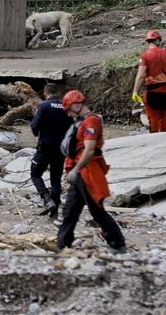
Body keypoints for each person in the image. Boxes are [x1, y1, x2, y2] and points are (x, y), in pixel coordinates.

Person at [57, 90, 126, 253]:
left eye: (68, 110)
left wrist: (77, 170)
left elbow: (89, 150)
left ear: (76, 105)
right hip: (80, 170)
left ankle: (118, 244)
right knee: (70, 210)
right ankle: (63, 244)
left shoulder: (91, 122)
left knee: (97, 210)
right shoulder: (82, 122)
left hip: (88, 171)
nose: (68, 114)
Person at [29, 83, 72, 221]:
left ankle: (47, 199)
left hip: (45, 147)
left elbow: (35, 126)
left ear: (45, 94)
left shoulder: (43, 106)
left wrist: (37, 132)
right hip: (60, 149)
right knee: (56, 181)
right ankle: (54, 215)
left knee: (35, 174)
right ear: (58, 94)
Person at [132, 30, 166, 133]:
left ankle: (154, 138)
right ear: (157, 40)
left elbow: (141, 75)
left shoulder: (144, 56)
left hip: (152, 90)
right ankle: (165, 136)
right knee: (162, 114)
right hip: (165, 90)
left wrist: (135, 91)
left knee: (152, 116)